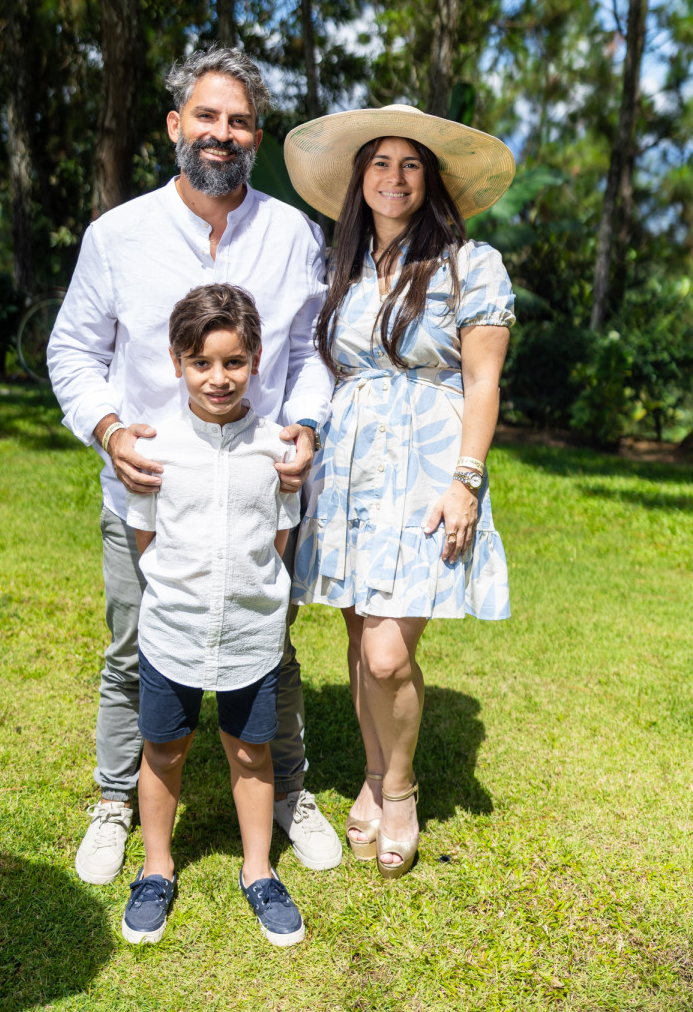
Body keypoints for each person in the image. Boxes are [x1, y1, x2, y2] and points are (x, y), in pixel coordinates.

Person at [47, 46, 342, 887]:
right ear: (176, 126)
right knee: (135, 647)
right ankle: (114, 802)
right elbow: (72, 350)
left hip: (261, 488)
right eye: (206, 117)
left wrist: (307, 428)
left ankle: (289, 792)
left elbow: (315, 356)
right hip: (148, 490)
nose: (223, 133)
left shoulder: (293, 235)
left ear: (257, 135)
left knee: (271, 642)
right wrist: (109, 430)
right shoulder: (119, 236)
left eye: (240, 120)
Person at [284, 104, 516, 879]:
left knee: (387, 653)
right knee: (357, 638)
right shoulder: (341, 265)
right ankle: (371, 776)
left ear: (431, 180)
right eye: (379, 163)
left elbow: (482, 382)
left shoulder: (469, 264)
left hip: (426, 468)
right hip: (348, 467)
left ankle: (402, 788)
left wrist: (467, 480)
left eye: (409, 164)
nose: (393, 177)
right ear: (360, 179)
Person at [121, 284, 305, 947]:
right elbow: (145, 538)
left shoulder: (278, 450)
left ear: (255, 359)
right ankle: (156, 867)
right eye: (202, 363)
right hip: (173, 632)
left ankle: (259, 873)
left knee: (252, 752)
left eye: (233, 362)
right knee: (164, 751)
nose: (218, 378)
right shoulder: (155, 446)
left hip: (253, 635)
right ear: (177, 363)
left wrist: (254, 593)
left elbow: (280, 535)